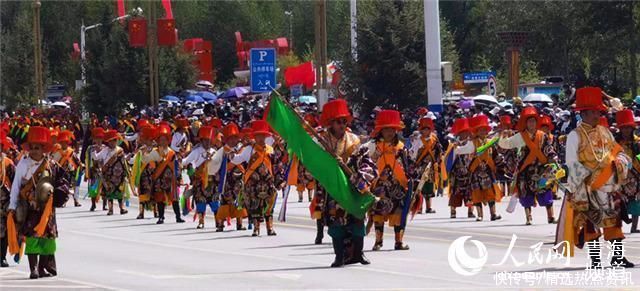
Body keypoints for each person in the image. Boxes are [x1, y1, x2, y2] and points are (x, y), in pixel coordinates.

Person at [564, 87, 634, 268]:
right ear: (585, 113)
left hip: (609, 186)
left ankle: (617, 257)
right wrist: (585, 180)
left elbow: (617, 152)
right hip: (588, 188)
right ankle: (595, 259)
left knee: (614, 223)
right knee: (591, 225)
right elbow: (571, 162)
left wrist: (620, 162)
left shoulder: (605, 132)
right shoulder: (574, 135)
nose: (598, 114)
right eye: (594, 111)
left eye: (599, 111)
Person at [317, 99, 374, 267]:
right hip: (333, 188)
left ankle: (359, 253)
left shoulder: (354, 140)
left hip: (353, 186)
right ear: (331, 123)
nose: (342, 124)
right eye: (338, 121)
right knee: (336, 224)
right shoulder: (322, 142)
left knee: (357, 220)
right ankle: (339, 256)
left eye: (344, 121)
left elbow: (366, 161)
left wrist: (361, 175)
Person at [8, 126, 68, 279]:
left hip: (47, 209)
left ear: (43, 149)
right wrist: (12, 206)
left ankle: (42, 269)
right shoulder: (23, 164)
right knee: (32, 238)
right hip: (30, 207)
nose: (34, 151)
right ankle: (33, 269)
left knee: (47, 239)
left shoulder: (52, 165)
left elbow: (62, 181)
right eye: (32, 148)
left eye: (37, 148)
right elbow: (15, 186)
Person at [498, 107, 558, 225]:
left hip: (541, 170)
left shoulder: (542, 135)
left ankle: (551, 216)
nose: (532, 123)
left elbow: (549, 149)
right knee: (526, 195)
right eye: (529, 121)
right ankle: (528, 217)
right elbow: (506, 144)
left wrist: (553, 159)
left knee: (546, 192)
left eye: (534, 121)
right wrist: (503, 136)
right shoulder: (520, 136)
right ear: (525, 123)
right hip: (526, 170)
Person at [366, 110, 411, 251]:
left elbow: (408, 165)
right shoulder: (373, 146)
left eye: (392, 129)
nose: (389, 132)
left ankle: (399, 241)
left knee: (399, 213)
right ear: (381, 131)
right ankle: (378, 241)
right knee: (378, 213)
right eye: (386, 129)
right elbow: (368, 162)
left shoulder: (401, 147)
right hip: (380, 185)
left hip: (398, 185)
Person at [231, 120, 278, 237]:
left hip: (268, 182)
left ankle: (270, 227)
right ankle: (256, 228)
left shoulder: (270, 150)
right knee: (255, 205)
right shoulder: (249, 150)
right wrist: (231, 153)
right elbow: (237, 160)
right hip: (253, 183)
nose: (261, 138)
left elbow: (275, 165)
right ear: (255, 137)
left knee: (269, 204)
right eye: (258, 136)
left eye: (263, 135)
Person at [456, 114, 502, 222]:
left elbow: (496, 154)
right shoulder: (473, 143)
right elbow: (464, 150)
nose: (483, 132)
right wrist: (456, 148)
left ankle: (493, 214)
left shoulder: (490, 142)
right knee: (476, 193)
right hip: (476, 170)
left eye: (485, 130)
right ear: (477, 131)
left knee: (491, 193)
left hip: (488, 170)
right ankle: (480, 215)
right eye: (481, 130)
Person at [145, 123, 184, 224]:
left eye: (165, 140)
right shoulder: (155, 152)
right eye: (161, 140)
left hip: (171, 179)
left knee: (174, 198)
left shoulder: (172, 152)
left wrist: (179, 176)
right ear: (158, 141)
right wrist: (146, 153)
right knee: (159, 198)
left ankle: (178, 217)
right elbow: (147, 161)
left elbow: (176, 166)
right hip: (159, 178)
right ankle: (161, 217)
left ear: (168, 140)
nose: (163, 142)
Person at [182, 126, 219, 229]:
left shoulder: (214, 152)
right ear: (201, 141)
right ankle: (201, 221)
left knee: (215, 201)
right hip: (200, 180)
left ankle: (218, 221)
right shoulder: (196, 151)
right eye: (205, 141)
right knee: (200, 201)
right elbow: (186, 161)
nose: (207, 143)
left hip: (212, 181)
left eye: (209, 141)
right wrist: (179, 159)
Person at [215, 122, 248, 232]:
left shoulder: (241, 149)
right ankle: (220, 224)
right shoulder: (222, 151)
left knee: (239, 200)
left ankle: (239, 223)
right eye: (231, 138)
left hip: (239, 178)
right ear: (227, 140)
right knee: (225, 201)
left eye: (235, 138)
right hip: (226, 179)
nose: (233, 140)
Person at [614, 109, 640, 234]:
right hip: (619, 175)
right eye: (624, 128)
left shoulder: (638, 142)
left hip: (635, 175)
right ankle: (616, 227)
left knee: (636, 200)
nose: (626, 130)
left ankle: (634, 227)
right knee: (618, 201)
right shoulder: (614, 143)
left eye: (628, 128)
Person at [409, 117, 441, 214]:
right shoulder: (417, 140)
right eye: (424, 129)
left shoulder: (434, 138)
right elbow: (413, 152)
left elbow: (439, 150)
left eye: (428, 129)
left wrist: (438, 161)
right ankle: (419, 208)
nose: (426, 131)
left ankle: (429, 207)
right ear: (421, 130)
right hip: (420, 166)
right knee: (420, 187)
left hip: (430, 166)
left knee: (429, 187)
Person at [96, 129, 129, 215]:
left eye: (114, 140)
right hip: (108, 175)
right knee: (109, 193)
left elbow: (123, 162)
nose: (113, 142)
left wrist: (126, 171)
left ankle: (122, 208)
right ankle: (110, 209)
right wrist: (94, 151)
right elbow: (97, 157)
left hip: (119, 175)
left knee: (119, 193)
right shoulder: (105, 150)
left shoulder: (120, 150)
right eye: (111, 141)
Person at [130, 125, 156, 219]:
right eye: (148, 139)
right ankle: (141, 212)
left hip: (154, 174)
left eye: (151, 139)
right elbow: (134, 161)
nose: (150, 141)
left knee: (154, 193)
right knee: (142, 194)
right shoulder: (141, 151)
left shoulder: (157, 150)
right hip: (143, 175)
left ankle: (155, 211)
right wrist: (128, 159)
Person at [51, 130, 82, 208]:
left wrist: (81, 166)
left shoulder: (71, 152)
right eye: (62, 142)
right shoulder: (57, 152)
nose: (63, 143)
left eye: (65, 142)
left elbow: (77, 161)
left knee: (74, 186)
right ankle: (63, 200)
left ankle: (76, 200)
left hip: (70, 172)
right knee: (62, 186)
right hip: (60, 173)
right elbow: (53, 162)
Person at [0, 133, 15, 268]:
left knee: (4, 231)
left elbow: (16, 182)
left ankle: (2, 257)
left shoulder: (8, 163)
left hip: (5, 202)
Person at [86, 127, 106, 212]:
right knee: (92, 188)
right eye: (96, 138)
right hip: (93, 170)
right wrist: (87, 172)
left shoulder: (105, 148)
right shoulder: (90, 148)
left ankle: (105, 205)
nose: (98, 140)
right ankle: (93, 204)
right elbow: (88, 160)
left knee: (105, 187)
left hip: (103, 170)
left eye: (100, 138)